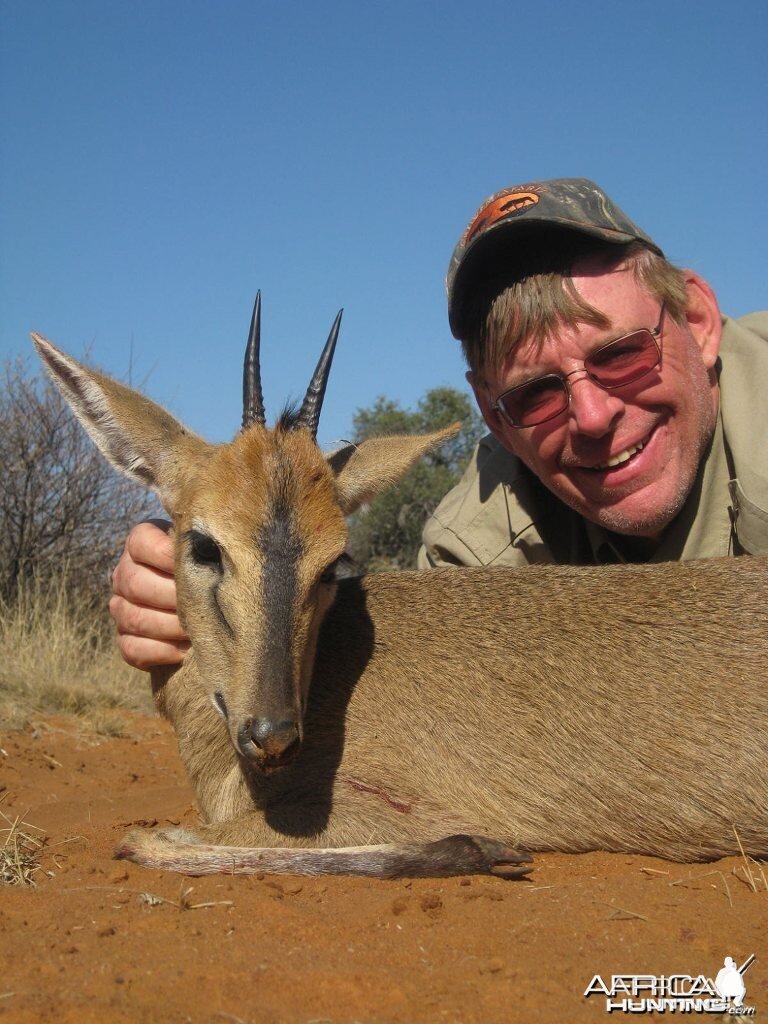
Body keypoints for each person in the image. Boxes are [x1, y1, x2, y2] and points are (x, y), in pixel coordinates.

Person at [109, 178, 768, 670]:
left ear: (701, 323)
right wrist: (199, 584)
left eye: (622, 354)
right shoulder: (470, 549)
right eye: (535, 394)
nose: (593, 416)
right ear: (495, 419)